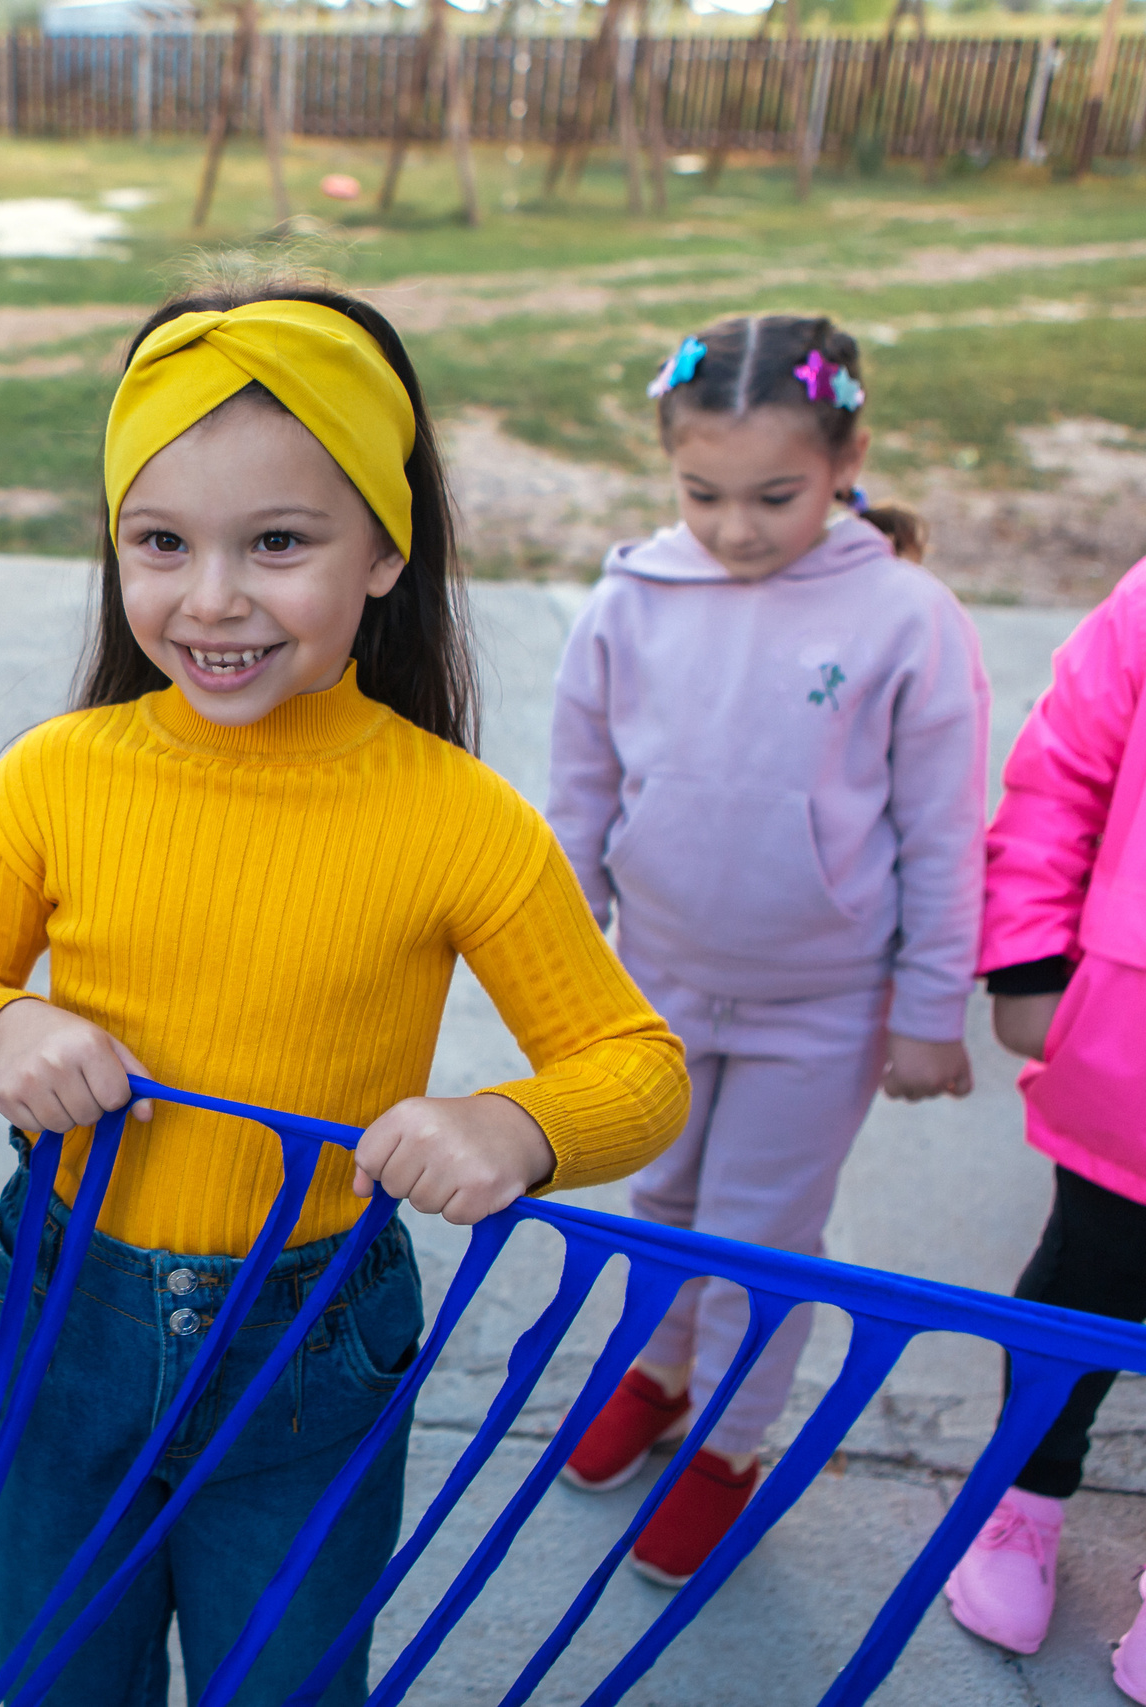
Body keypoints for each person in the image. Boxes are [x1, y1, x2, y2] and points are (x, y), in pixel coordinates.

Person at [0, 283, 692, 1707]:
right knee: (63, 1674)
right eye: (162, 542)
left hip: (312, 1337)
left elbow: (636, 1065)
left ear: (384, 549)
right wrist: (4, 1022)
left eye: (278, 542)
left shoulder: (458, 815)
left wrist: (511, 1126)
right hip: (67, 1301)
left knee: (287, 1683)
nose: (211, 598)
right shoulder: (56, 776)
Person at [549, 314, 990, 1584]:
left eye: (775, 495)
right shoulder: (628, 600)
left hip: (825, 1007)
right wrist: (566, 948)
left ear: (850, 454)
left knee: (757, 1232)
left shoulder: (907, 616)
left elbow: (943, 833)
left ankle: (731, 1442)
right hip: (657, 981)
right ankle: (657, 1371)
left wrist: (927, 1010)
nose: (736, 527)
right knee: (661, 1200)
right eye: (703, 493)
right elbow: (578, 789)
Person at [941, 557, 1146, 1699]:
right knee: (1085, 1285)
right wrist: (1027, 963)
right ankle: (1021, 1496)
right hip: (1133, 1056)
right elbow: (1062, 768)